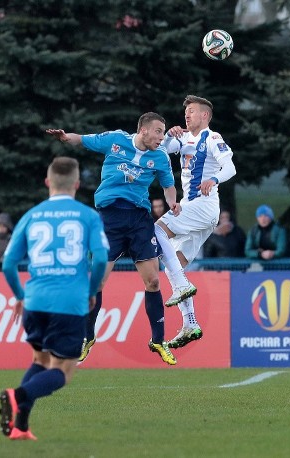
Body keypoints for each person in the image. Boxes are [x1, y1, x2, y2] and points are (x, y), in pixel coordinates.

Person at [46, 111, 180, 366]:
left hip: (139, 220)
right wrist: (65, 137)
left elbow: (168, 185)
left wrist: (173, 203)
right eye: (158, 132)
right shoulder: (115, 140)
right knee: (97, 282)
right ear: (143, 130)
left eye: (163, 133)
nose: (161, 137)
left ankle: (158, 341)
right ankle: (87, 337)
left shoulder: (160, 157)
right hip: (109, 220)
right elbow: (84, 139)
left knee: (153, 281)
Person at [0, 156, 108, 441]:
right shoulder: (88, 216)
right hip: (69, 302)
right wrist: (91, 291)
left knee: (40, 359)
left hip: (35, 301)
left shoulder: (31, 215)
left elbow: (8, 263)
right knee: (63, 370)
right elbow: (101, 260)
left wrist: (20, 296)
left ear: (48, 182)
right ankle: (16, 395)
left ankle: (20, 425)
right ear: (77, 184)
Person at [155, 95, 237, 349]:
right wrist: (169, 136)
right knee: (172, 263)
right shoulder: (183, 138)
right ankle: (190, 322)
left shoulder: (212, 138)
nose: (187, 115)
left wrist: (214, 180)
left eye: (191, 111)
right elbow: (160, 149)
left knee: (156, 230)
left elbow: (230, 168)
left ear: (205, 116)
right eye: (186, 112)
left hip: (204, 205)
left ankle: (183, 286)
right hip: (195, 210)